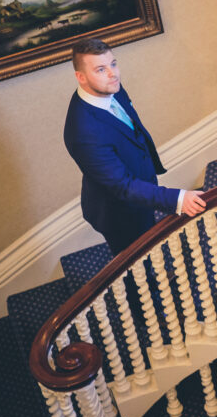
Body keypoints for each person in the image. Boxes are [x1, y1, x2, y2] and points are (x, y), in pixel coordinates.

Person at [63, 38, 206, 255]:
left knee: (150, 241)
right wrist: (178, 199)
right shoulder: (83, 131)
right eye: (100, 69)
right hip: (118, 212)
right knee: (136, 260)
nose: (113, 74)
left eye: (113, 64)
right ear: (80, 77)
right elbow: (122, 186)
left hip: (140, 189)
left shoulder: (111, 87)